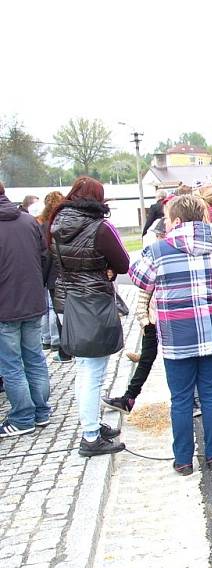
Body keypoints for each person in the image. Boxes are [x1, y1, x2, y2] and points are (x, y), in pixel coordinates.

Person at [129, 194, 212, 474]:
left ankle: (184, 460)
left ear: (175, 220)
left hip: (176, 335)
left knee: (181, 399)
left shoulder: (159, 249)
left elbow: (137, 276)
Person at [50, 176, 128, 456]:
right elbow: (122, 262)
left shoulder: (56, 223)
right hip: (93, 301)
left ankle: (91, 424)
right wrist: (105, 270)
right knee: (93, 372)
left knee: (84, 369)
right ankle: (91, 436)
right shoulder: (99, 228)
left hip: (69, 298)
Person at [0, 180, 51, 438]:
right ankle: (41, 411)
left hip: (5, 308)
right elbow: (44, 257)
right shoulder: (28, 221)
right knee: (34, 358)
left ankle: (22, 417)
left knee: (11, 365)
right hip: (32, 301)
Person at [38, 192, 66, 355]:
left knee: (57, 311)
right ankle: (65, 346)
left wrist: (43, 278)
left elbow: (45, 255)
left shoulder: (44, 225)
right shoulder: (65, 223)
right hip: (67, 274)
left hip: (53, 275)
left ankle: (61, 348)